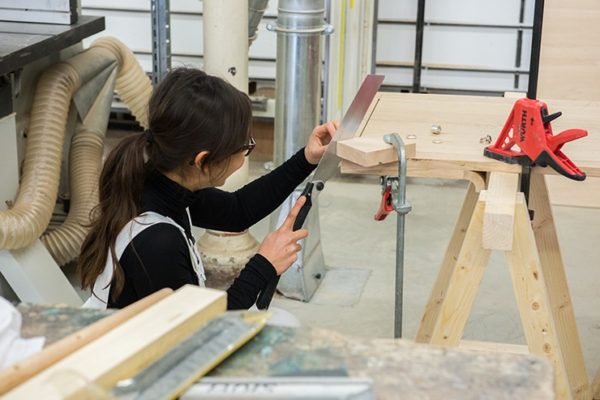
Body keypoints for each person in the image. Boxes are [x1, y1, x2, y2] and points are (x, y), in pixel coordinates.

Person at [77, 67, 336, 310]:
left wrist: (306, 158)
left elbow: (237, 211)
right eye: (245, 147)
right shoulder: (158, 243)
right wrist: (264, 265)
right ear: (203, 161)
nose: (246, 152)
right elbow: (199, 333)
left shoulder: (161, 181)